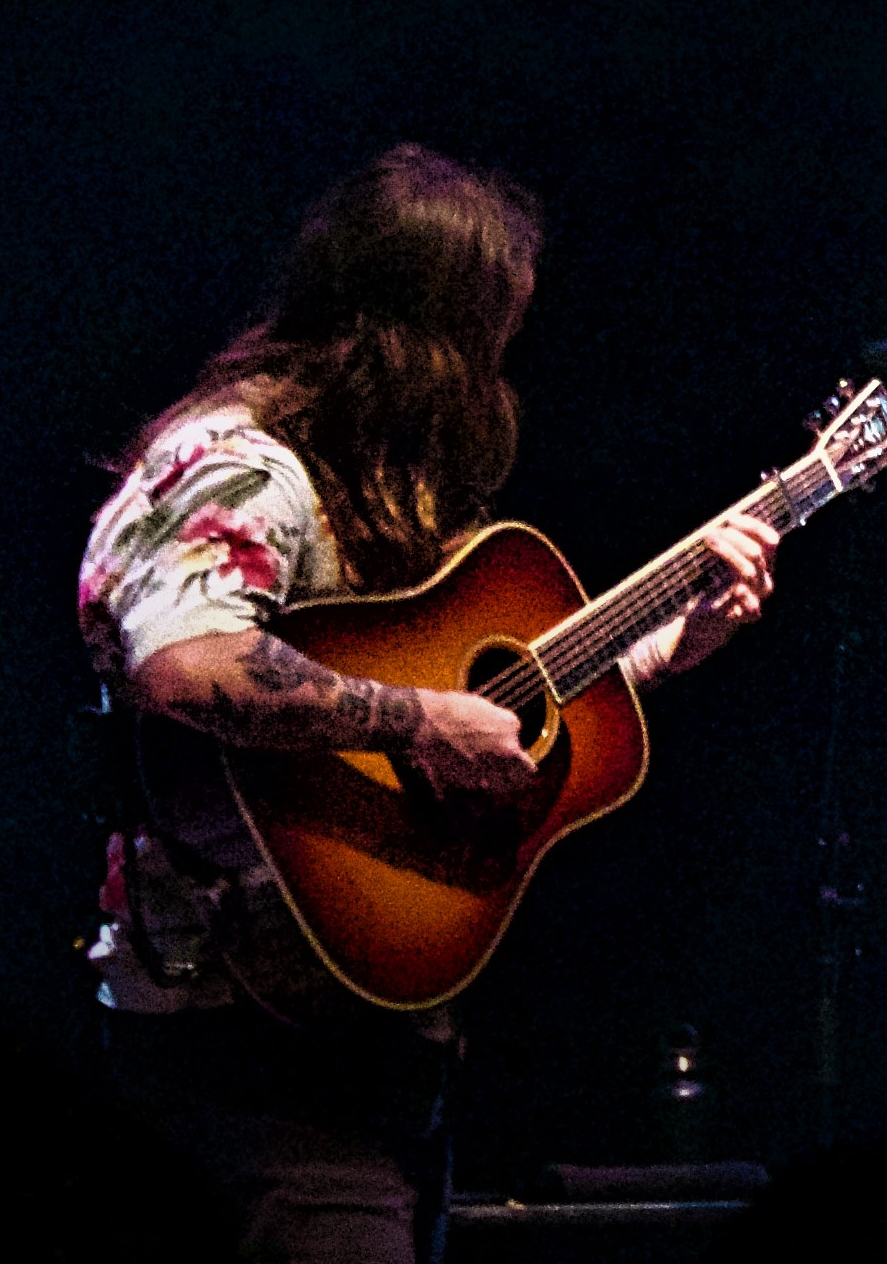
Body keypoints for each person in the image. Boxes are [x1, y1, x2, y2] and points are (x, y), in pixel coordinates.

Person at [78, 145, 779, 1264]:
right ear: (421, 328)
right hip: (241, 1064)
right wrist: (413, 723)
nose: (502, 368)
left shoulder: (369, 484)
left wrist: (662, 652)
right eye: (488, 334)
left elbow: (479, 707)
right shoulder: (237, 466)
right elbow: (188, 667)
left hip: (365, 1055)